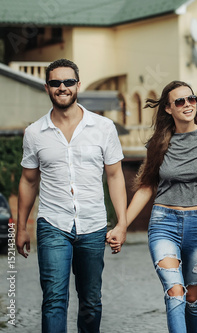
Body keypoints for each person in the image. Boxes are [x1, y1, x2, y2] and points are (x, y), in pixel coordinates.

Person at [114, 80, 197, 333]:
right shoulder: (158, 143)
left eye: (191, 99)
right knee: (175, 292)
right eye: (180, 101)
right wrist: (122, 225)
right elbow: (147, 187)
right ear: (168, 109)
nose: (187, 104)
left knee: (192, 297)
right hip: (164, 224)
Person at [16, 58, 128, 333]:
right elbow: (28, 181)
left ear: (78, 85)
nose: (62, 87)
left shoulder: (103, 127)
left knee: (91, 301)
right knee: (54, 300)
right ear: (47, 88)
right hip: (53, 223)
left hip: (93, 224)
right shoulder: (34, 133)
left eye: (68, 82)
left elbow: (114, 176)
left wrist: (122, 223)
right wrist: (20, 227)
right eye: (56, 83)